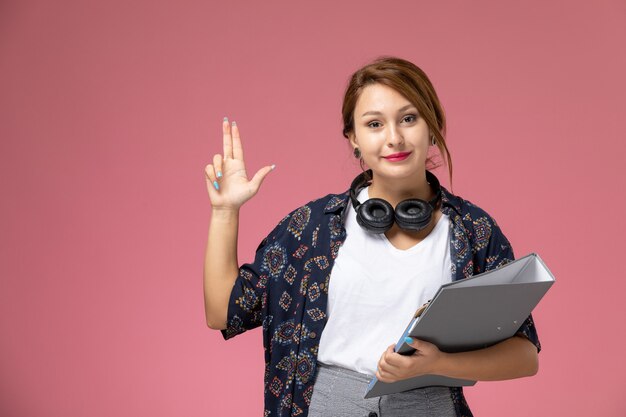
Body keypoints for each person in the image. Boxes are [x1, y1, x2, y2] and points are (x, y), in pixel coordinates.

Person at [203, 56, 541, 417]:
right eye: (374, 124)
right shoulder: (315, 226)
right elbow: (224, 312)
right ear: (354, 138)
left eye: (409, 119)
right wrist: (225, 212)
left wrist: (438, 363)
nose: (394, 138)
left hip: (430, 405)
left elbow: (524, 356)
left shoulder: (473, 231)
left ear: (433, 125)